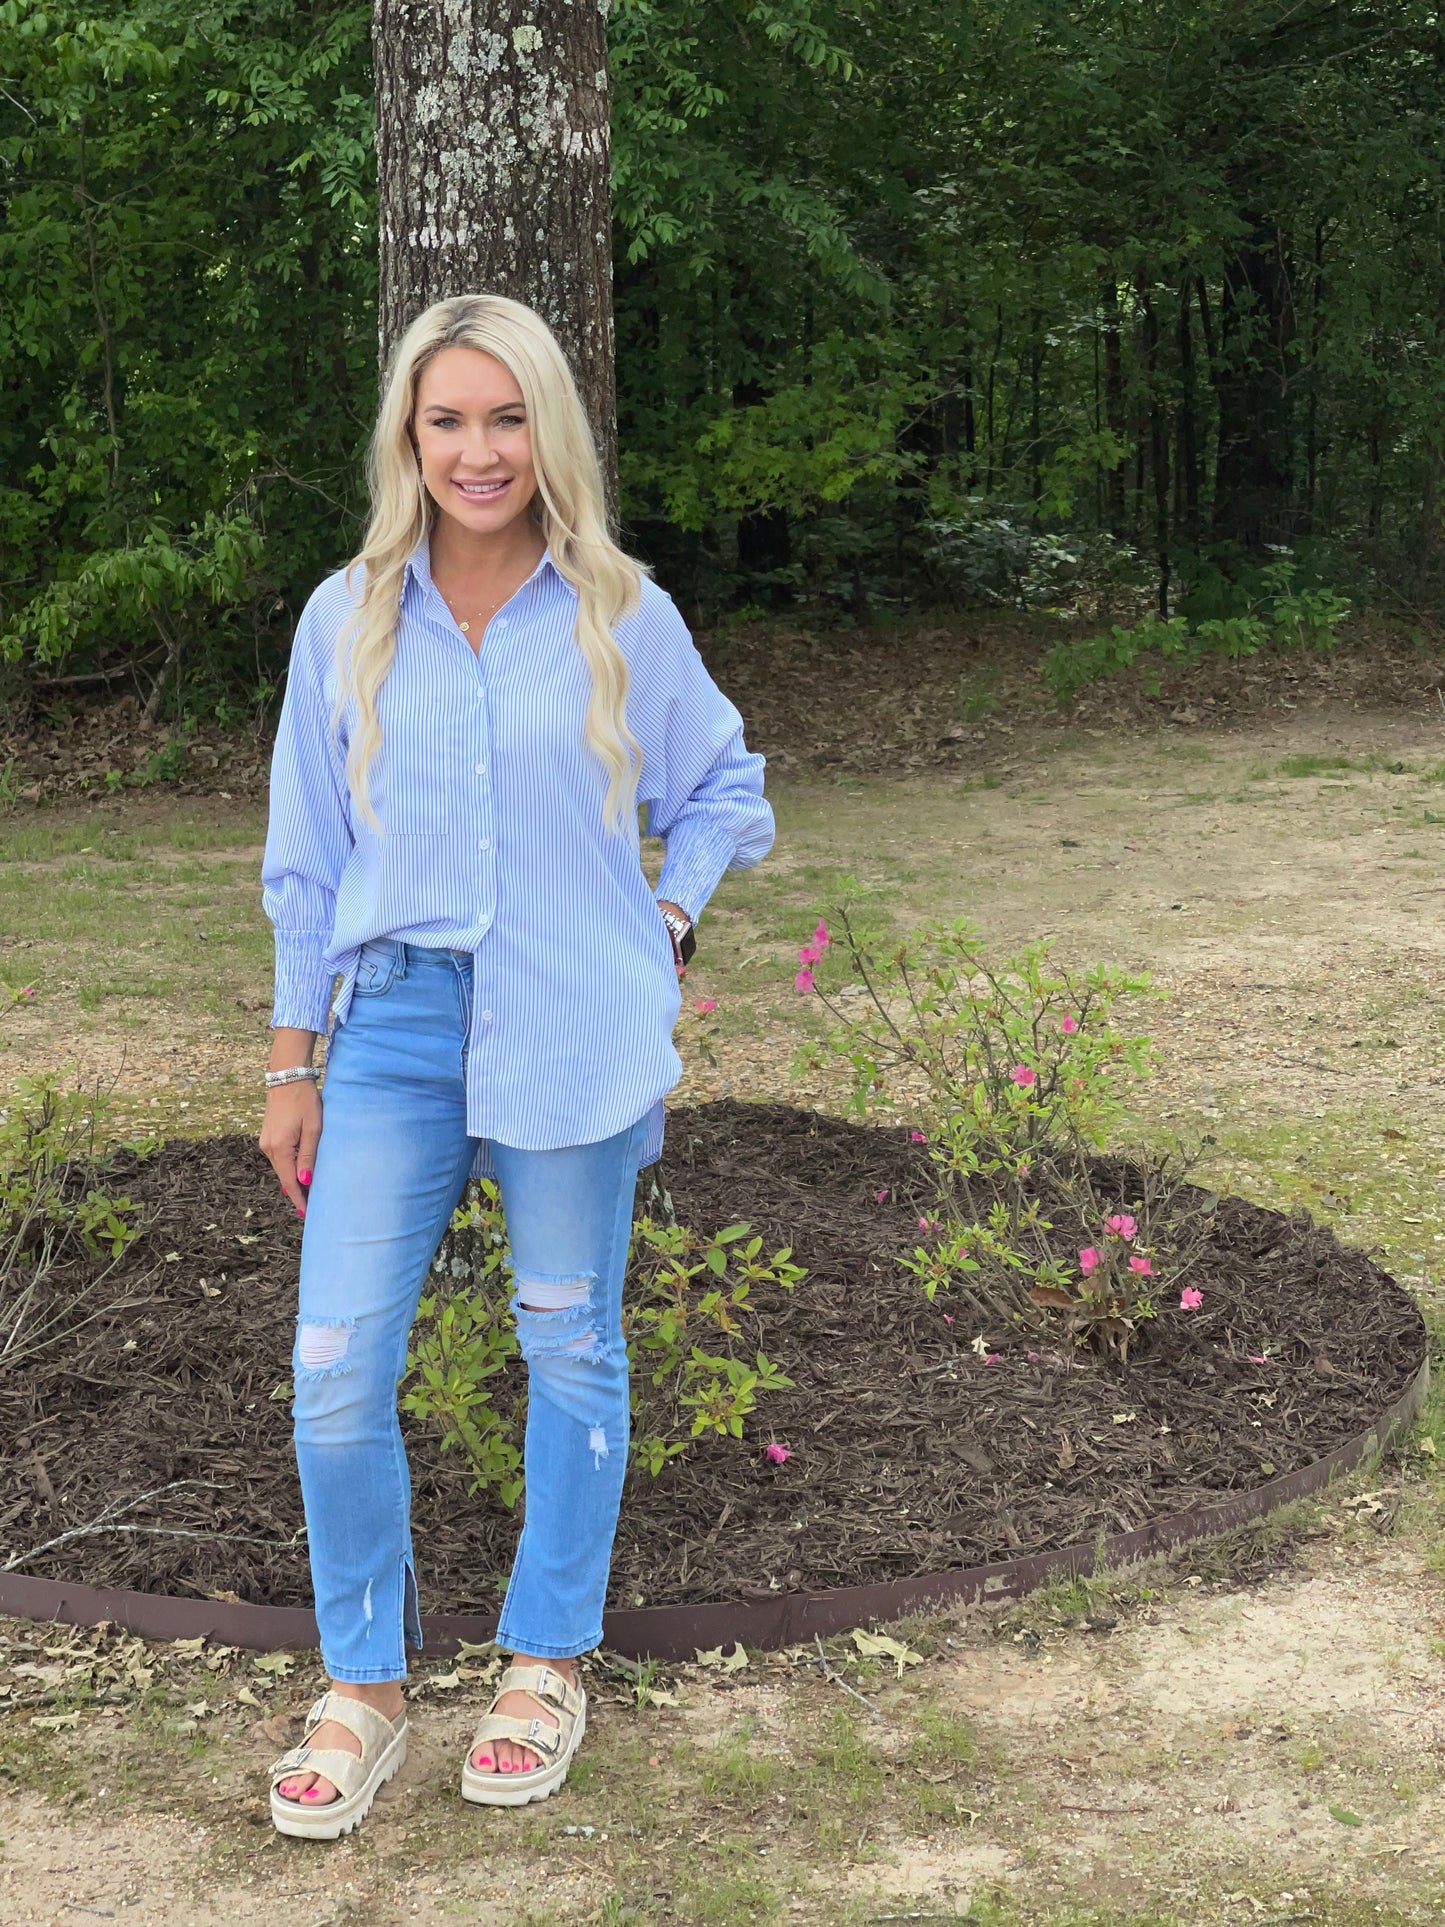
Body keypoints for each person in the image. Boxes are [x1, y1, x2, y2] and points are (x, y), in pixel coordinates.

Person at [258, 292, 773, 1839]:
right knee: (334, 1370)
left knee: (570, 1347)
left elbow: (722, 783)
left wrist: (669, 907)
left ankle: (545, 1660)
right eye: (445, 420)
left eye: (505, 418)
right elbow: (305, 860)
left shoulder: (624, 614)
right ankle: (364, 1685)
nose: (477, 450)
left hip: (570, 1023)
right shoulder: (343, 617)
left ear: (547, 431)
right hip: (395, 1027)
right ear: (406, 441)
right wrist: (294, 1060)